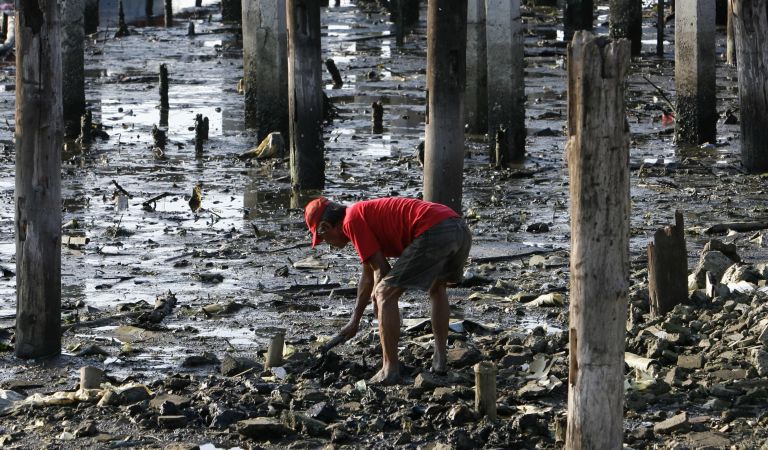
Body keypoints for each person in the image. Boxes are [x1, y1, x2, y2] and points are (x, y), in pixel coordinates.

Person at [304, 196, 472, 385]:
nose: (328, 243)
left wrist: (379, 299)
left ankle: (390, 369)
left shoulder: (351, 220)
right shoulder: (361, 214)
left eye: (323, 238)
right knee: (437, 287)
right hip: (459, 228)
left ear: (326, 226)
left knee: (384, 294)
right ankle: (440, 361)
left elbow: (381, 271)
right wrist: (354, 320)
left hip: (435, 231)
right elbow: (369, 275)